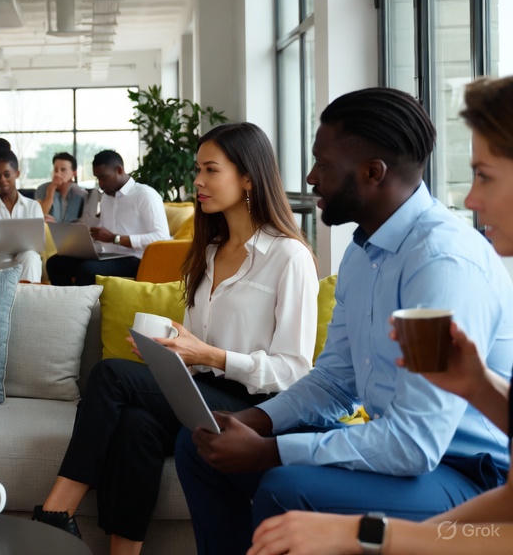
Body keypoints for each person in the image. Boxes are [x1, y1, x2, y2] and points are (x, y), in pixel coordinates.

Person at [175, 88, 513, 555]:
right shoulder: (362, 253)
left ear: (373, 173)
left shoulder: (441, 261)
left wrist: (269, 450)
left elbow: (416, 445)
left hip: (462, 471)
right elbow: (336, 382)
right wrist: (253, 420)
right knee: (200, 448)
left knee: (285, 486)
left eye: (323, 165)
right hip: (403, 453)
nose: (311, 177)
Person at [32, 123, 318, 555]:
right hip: (203, 389)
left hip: (256, 407)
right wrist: (175, 350)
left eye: (210, 170)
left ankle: (54, 515)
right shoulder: (207, 252)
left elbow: (294, 371)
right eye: (197, 170)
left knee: (110, 376)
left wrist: (211, 355)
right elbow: (198, 346)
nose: (197, 181)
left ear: (247, 177)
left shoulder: (288, 256)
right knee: (134, 425)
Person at [46, 150, 168, 286]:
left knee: (88, 270)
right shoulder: (106, 197)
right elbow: (105, 233)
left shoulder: (145, 195)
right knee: (55, 263)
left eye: (103, 178)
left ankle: (81, 306)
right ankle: (66, 304)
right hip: (106, 255)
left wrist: (115, 238)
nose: (101, 184)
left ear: (119, 170)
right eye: (97, 178)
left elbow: (161, 237)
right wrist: (88, 236)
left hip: (136, 258)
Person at [0, 139, 45, 282]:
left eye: (7, 174)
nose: (2, 180)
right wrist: (1, 244)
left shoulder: (33, 206)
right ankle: (27, 301)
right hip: (0, 261)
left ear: (17, 173)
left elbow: (39, 243)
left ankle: (26, 303)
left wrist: (18, 245)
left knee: (31, 257)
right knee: (26, 262)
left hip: (26, 257)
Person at [35, 151, 94, 223]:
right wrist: (51, 190)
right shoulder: (42, 188)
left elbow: (85, 222)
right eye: (55, 170)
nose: (57, 174)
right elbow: (39, 217)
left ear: (74, 173)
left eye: (63, 170)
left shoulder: (81, 194)